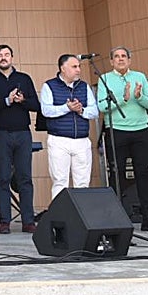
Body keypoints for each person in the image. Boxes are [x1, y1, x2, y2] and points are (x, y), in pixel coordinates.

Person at [97, 46, 148, 232]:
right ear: (111, 61)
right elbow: (101, 107)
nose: (120, 59)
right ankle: (116, 221)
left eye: (124, 56)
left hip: (141, 131)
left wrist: (139, 97)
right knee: (117, 175)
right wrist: (123, 99)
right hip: (117, 131)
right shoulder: (105, 79)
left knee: (143, 174)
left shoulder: (139, 77)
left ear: (129, 60)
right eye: (116, 57)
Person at [0, 44, 40, 234]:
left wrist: (22, 100)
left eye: (7, 54)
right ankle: (5, 221)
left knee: (25, 178)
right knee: (3, 178)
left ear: (12, 57)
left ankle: (28, 220)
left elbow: (36, 105)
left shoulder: (24, 78)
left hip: (23, 133)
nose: (3, 58)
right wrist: (7, 101)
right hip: (0, 133)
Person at [40, 54, 99, 200]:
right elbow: (46, 110)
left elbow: (94, 111)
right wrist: (67, 108)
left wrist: (81, 110)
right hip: (59, 140)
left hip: (82, 140)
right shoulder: (49, 86)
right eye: (74, 67)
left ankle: (82, 214)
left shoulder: (84, 86)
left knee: (83, 182)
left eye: (79, 66)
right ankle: (60, 214)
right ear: (63, 68)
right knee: (60, 182)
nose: (78, 70)